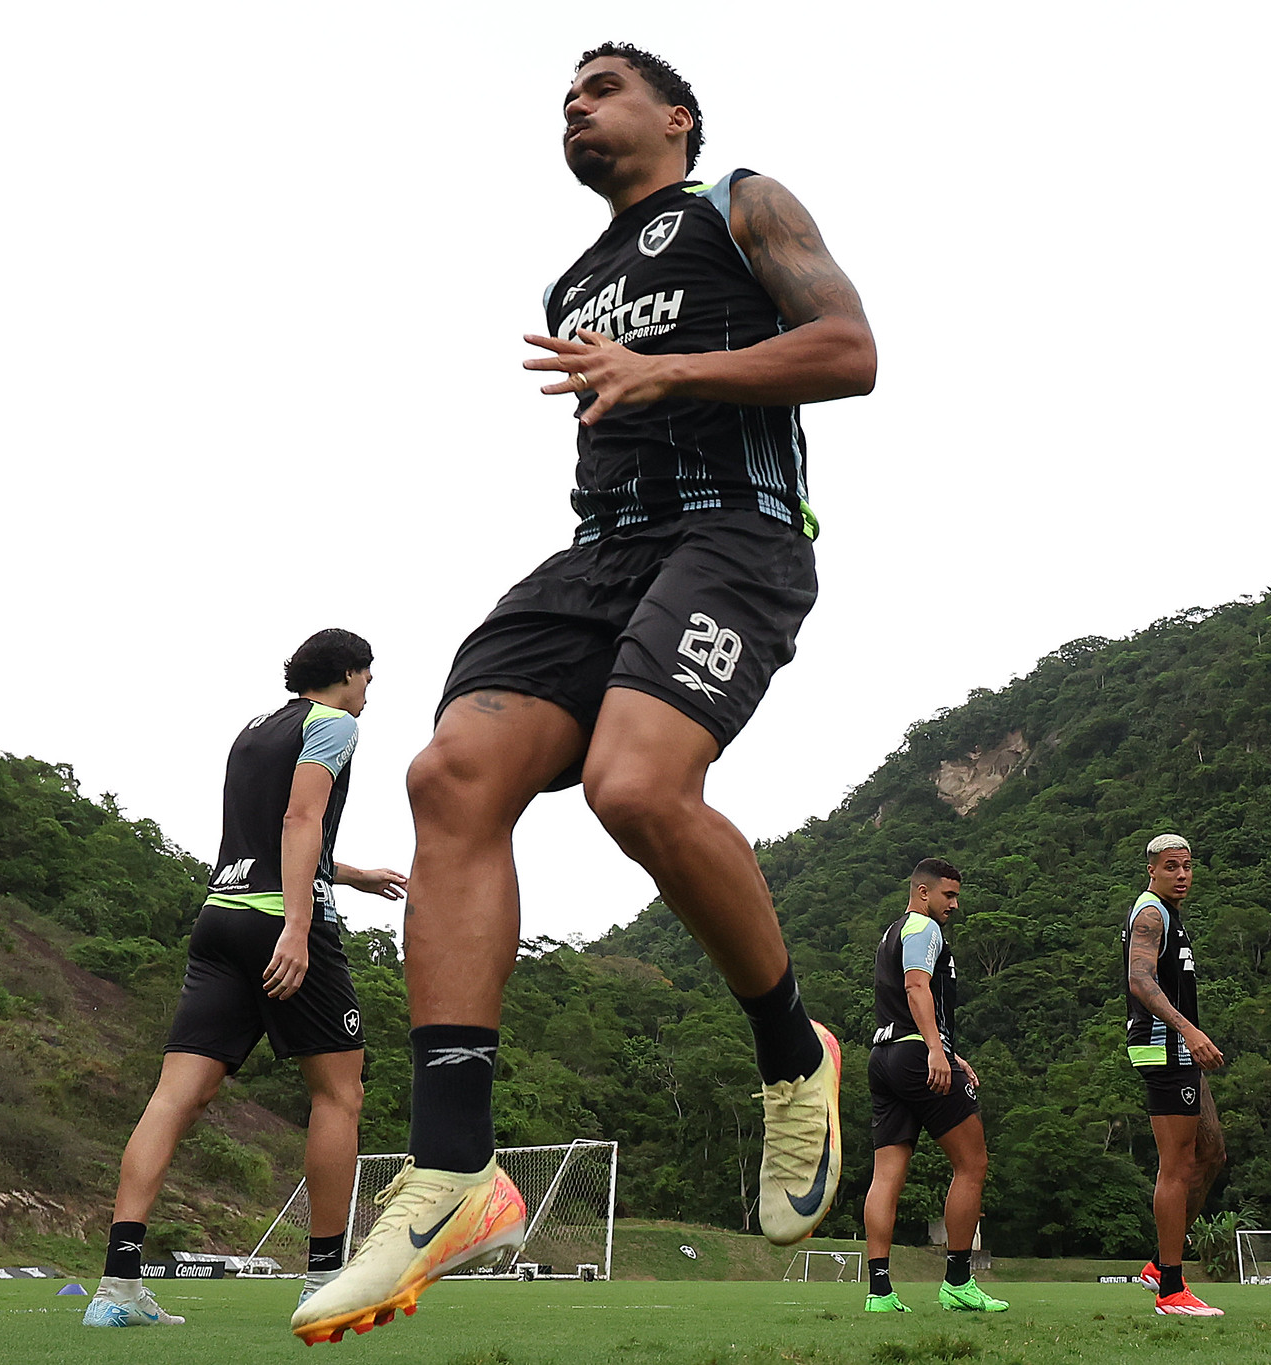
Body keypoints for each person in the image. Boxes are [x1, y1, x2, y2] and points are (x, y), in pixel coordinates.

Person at [293, 43, 877, 1345]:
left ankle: (794, 1053)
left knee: (633, 782)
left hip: (737, 536)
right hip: (603, 555)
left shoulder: (744, 202)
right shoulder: (580, 280)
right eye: (566, 89)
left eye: (605, 83)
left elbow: (849, 352)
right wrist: (626, 385)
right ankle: (452, 1171)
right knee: (447, 777)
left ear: (674, 116)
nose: (577, 98)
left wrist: (674, 372)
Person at [85, 630, 406, 1329]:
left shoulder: (255, 728)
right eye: (368, 674)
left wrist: (350, 872)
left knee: (174, 1097)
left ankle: (117, 1286)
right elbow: (299, 816)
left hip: (220, 917)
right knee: (338, 1094)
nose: (370, 686)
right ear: (346, 672)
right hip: (280, 921)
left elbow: (267, 835)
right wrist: (298, 923)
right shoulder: (336, 724)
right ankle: (326, 1280)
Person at [862, 859, 1006, 1314]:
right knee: (973, 1164)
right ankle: (958, 1282)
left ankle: (880, 1293)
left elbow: (903, 1004)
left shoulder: (892, 932)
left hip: (882, 1056)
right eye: (949, 895)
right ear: (923, 893)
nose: (954, 905)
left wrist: (945, 1048)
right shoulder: (924, 929)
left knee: (886, 1176)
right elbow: (916, 988)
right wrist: (936, 1052)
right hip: (914, 1057)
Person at [1125, 833, 1228, 1317]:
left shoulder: (1171, 915)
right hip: (1164, 1047)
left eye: (1187, 866)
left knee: (1211, 1152)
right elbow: (1139, 978)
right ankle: (1170, 1286)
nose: (1182, 875)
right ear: (1152, 870)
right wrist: (1189, 1030)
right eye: (1171, 867)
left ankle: (1157, 1264)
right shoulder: (1150, 914)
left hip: (1178, 1050)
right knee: (1178, 1163)